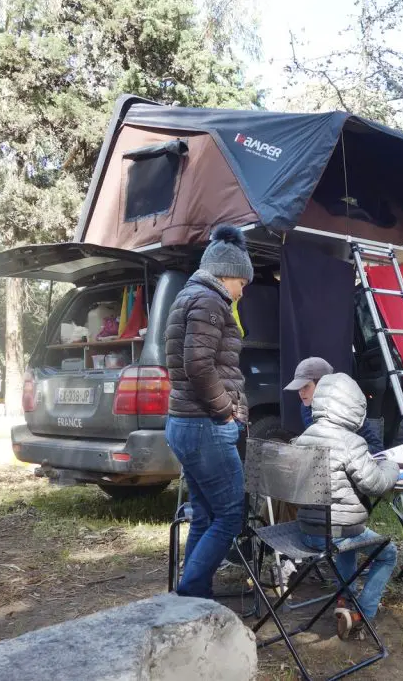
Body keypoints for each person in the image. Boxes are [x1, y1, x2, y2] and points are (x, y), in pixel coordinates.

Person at [164, 224, 253, 599]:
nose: (242, 290)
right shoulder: (211, 301)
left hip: (184, 423)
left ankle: (193, 596)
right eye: (242, 282)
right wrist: (225, 411)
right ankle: (191, 591)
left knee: (204, 515)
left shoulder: (188, 296)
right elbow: (198, 366)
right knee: (231, 515)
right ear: (228, 273)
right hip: (205, 426)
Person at [295, 373, 400, 640]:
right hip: (338, 532)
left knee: (345, 547)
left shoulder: (305, 436)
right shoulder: (350, 442)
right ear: (355, 408)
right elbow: (375, 484)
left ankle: (344, 599)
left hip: (305, 530)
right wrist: (390, 466)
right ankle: (361, 614)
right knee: (388, 553)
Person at [285, 357, 384, 454]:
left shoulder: (348, 407)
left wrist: (345, 452)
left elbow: (377, 448)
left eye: (305, 386)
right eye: (298, 387)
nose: (301, 393)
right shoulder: (305, 407)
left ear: (323, 384)